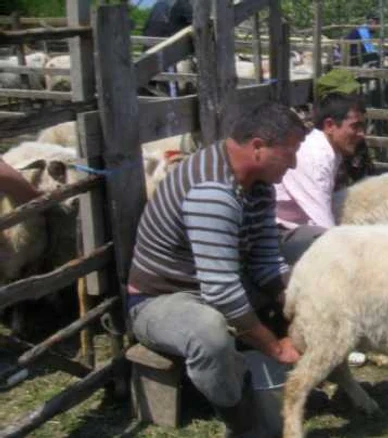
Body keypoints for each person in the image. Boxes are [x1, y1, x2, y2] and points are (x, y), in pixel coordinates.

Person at [127, 101, 307, 438]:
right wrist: (276, 347)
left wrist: (299, 301)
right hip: (162, 299)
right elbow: (222, 293)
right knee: (209, 335)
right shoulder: (213, 190)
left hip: (217, 282)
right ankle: (241, 421)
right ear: (258, 147)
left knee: (307, 272)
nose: (295, 164)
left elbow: (267, 260)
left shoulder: (259, 185)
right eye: (290, 153)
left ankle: (256, 378)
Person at [275, 93, 368, 366]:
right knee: (337, 258)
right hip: (276, 233)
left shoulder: (327, 151)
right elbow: (323, 225)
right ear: (330, 125)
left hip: (293, 227)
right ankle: (332, 337)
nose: (361, 134)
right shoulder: (314, 156)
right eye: (355, 126)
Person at [141, 0, 193, 97]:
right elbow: (197, 24)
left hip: (149, 49)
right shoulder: (182, 4)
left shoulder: (160, 3)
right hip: (166, 49)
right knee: (171, 86)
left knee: (148, 84)